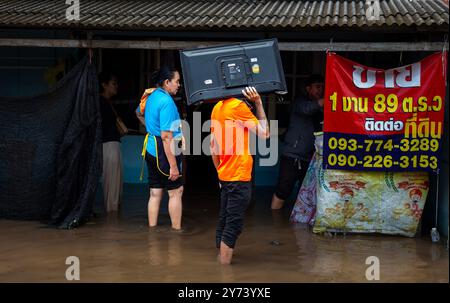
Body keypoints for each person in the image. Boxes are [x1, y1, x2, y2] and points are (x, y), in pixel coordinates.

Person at [210, 86, 270, 265]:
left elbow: (213, 146)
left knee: (224, 219)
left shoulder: (217, 107)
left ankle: (220, 261)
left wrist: (220, 174)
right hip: (239, 175)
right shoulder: (238, 107)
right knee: (233, 225)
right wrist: (258, 103)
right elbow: (265, 133)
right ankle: (224, 271)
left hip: (226, 175)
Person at [136, 66, 184, 230]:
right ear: (167, 82)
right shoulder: (167, 102)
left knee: (155, 193)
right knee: (176, 191)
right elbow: (166, 136)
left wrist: (151, 128)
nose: (179, 85)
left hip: (150, 148)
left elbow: (138, 113)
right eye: (177, 81)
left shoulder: (150, 96)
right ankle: (177, 232)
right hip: (164, 151)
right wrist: (173, 166)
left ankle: (152, 231)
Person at [271, 74, 324, 210]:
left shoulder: (321, 108)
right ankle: (274, 221)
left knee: (307, 192)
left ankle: (298, 223)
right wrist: (325, 101)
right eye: (317, 86)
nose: (321, 90)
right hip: (293, 154)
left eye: (322, 87)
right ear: (308, 88)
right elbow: (307, 109)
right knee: (283, 189)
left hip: (311, 157)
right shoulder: (300, 102)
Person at [99, 72, 123, 213]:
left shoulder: (107, 102)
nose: (116, 86)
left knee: (116, 184)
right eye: (113, 83)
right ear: (104, 85)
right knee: (112, 184)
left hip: (113, 144)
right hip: (108, 145)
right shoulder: (100, 102)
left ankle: (113, 217)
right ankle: (111, 218)